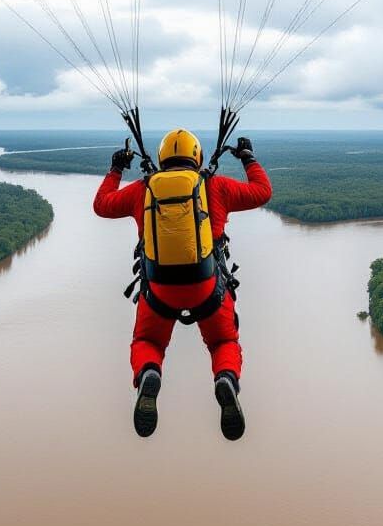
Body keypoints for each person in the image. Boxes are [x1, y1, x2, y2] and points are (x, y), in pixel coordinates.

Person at [93, 129, 271, 441]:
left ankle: (149, 372)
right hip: (207, 287)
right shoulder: (216, 186)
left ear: (163, 159)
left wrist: (116, 168)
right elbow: (262, 192)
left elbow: (102, 205)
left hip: (159, 290)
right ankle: (225, 378)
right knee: (223, 342)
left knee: (148, 340)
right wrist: (248, 158)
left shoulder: (143, 189)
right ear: (197, 157)